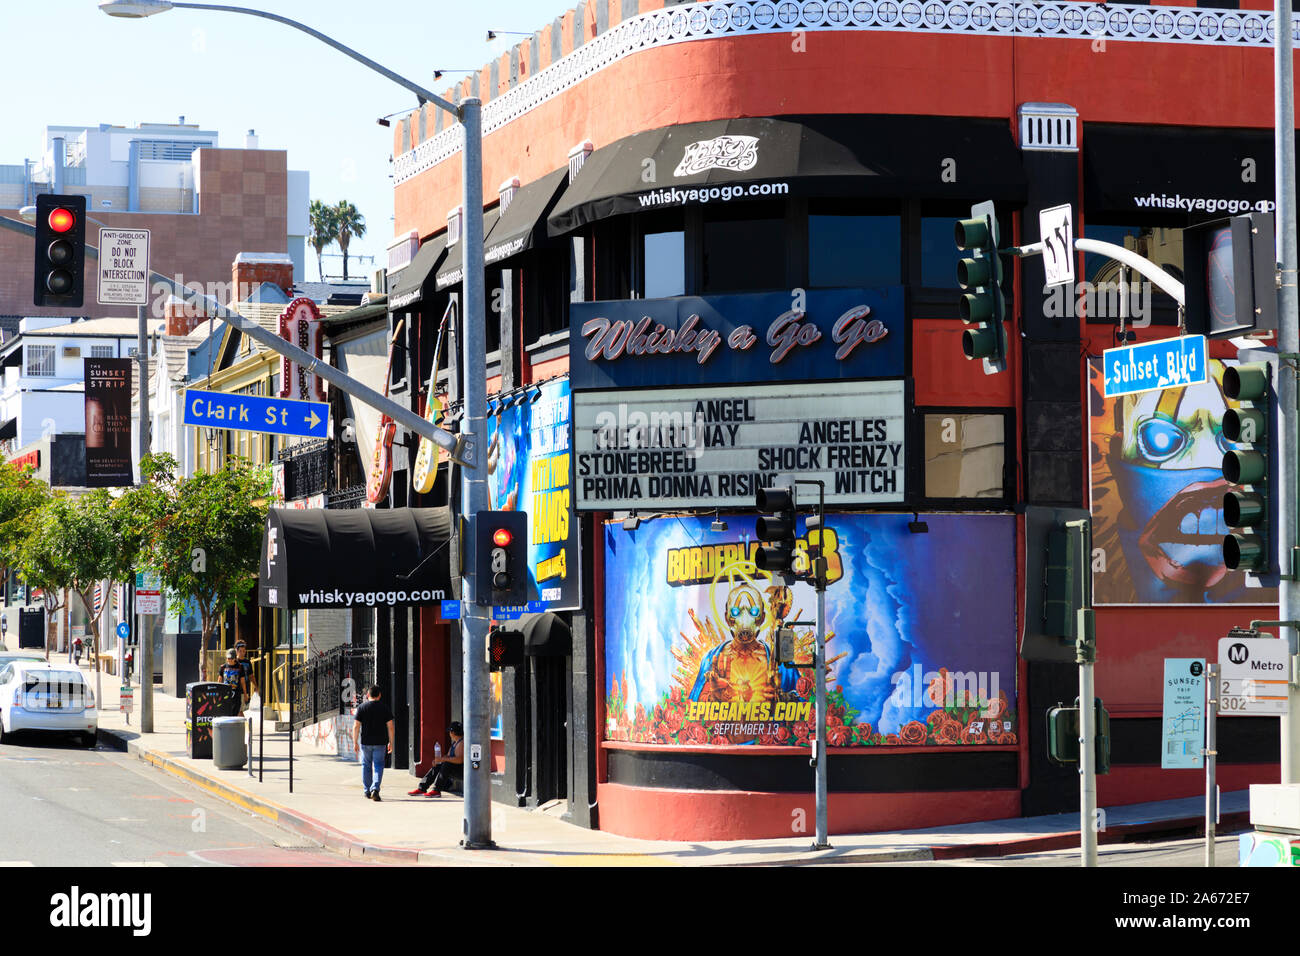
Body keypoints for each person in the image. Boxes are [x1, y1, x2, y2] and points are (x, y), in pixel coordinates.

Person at [350, 685, 395, 801]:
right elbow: (390, 727)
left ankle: (367, 791)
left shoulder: (362, 708)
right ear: (379, 695)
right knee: (379, 765)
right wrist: (391, 742)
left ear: (368, 695)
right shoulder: (384, 708)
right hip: (381, 742)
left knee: (366, 765)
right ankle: (375, 788)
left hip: (366, 742)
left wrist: (355, 742)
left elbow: (356, 726)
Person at [407, 721, 464, 797]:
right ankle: (422, 788)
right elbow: (448, 756)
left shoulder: (462, 743)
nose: (449, 734)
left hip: (461, 771)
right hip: (453, 768)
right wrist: (439, 760)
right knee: (438, 765)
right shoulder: (455, 743)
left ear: (452, 732)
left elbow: (460, 760)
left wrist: (444, 760)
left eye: (450, 732)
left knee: (446, 764)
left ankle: (436, 790)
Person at [218, 648, 247, 713]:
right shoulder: (223, 667)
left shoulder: (240, 667)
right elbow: (219, 680)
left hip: (237, 694)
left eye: (231, 658)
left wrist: (245, 694)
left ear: (235, 658)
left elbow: (243, 681)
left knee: (236, 711)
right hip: (225, 694)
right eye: (228, 658)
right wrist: (218, 692)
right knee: (226, 712)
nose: (229, 660)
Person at [233, 641, 255, 707]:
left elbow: (251, 676)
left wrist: (255, 686)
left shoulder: (247, 662)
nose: (242, 653)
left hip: (245, 688)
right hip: (235, 689)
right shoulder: (233, 661)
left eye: (244, 651)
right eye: (240, 651)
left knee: (242, 709)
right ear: (236, 651)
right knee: (238, 709)